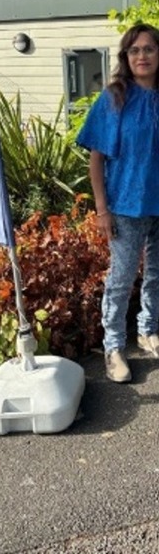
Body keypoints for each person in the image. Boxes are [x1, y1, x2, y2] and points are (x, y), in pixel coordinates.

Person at [76, 23, 159, 383]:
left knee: (157, 275)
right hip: (126, 205)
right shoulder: (114, 98)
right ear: (126, 57)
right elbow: (96, 157)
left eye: (149, 49)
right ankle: (113, 347)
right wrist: (102, 210)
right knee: (121, 280)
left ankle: (149, 330)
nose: (142, 56)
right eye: (135, 50)